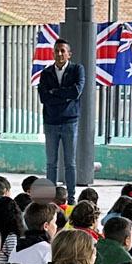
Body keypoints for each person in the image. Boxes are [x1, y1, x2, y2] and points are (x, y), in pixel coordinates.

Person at [36, 38, 85, 196]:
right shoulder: (46, 73)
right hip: (51, 122)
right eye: (56, 51)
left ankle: (71, 196)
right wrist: (64, 96)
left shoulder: (77, 69)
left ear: (69, 54)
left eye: (62, 51)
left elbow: (76, 92)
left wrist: (55, 92)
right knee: (51, 163)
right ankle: (50, 196)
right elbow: (44, 97)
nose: (59, 54)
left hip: (70, 121)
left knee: (70, 163)